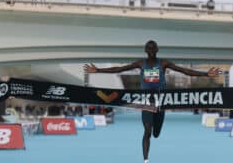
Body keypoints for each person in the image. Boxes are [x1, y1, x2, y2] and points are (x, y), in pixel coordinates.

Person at [84, 40, 221, 163]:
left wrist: (206, 74)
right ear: (145, 50)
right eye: (148, 48)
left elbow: (184, 70)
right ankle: (146, 160)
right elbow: (119, 69)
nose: (150, 50)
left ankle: (155, 131)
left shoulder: (163, 63)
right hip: (147, 101)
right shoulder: (140, 63)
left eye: (153, 48)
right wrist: (98, 70)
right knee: (147, 131)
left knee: (156, 133)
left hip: (161, 101)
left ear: (156, 50)